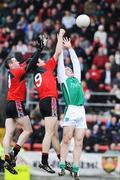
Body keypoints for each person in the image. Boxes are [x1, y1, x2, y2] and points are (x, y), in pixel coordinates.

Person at [1, 35, 47, 174]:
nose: (17, 61)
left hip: (9, 105)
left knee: (8, 133)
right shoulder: (16, 71)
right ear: (10, 65)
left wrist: (37, 49)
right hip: (16, 104)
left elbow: (28, 60)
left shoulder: (14, 70)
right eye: (14, 61)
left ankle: (6, 159)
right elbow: (31, 65)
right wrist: (40, 50)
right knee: (28, 130)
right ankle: (14, 154)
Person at [33, 28, 66, 173]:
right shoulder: (46, 68)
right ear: (39, 64)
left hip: (43, 102)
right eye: (40, 60)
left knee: (53, 134)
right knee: (49, 133)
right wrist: (60, 36)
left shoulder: (36, 75)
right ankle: (44, 161)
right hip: (50, 100)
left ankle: (62, 161)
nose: (41, 60)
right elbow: (58, 52)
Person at [57, 37, 87, 180]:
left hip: (81, 111)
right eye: (66, 69)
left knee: (79, 141)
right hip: (71, 110)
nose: (68, 69)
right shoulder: (64, 79)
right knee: (67, 139)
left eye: (70, 69)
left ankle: (75, 167)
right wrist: (62, 49)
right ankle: (62, 165)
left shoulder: (77, 78)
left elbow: (75, 62)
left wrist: (70, 48)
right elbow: (61, 65)